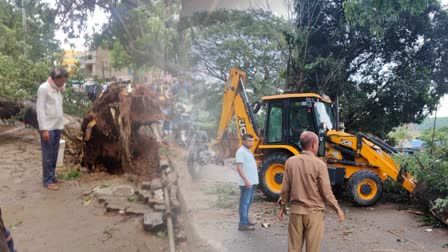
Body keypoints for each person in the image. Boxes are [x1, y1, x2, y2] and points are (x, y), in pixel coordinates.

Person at [278, 131, 345, 252]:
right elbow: (326, 192)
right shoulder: (320, 164)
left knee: (293, 249)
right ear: (314, 144)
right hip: (314, 213)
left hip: (296, 213)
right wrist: (337, 209)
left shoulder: (290, 162)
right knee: (312, 249)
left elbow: (285, 188)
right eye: (318, 144)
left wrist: (282, 206)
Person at [36, 67, 68, 191]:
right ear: (55, 79)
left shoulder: (58, 89)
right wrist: (43, 129)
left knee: (54, 154)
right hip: (48, 127)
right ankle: (47, 180)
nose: (63, 83)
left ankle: (52, 176)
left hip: (57, 126)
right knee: (47, 154)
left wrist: (61, 125)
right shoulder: (44, 88)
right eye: (62, 81)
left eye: (64, 81)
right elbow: (40, 109)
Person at [235, 133, 259, 231]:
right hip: (247, 183)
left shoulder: (248, 151)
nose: (251, 142)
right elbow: (239, 168)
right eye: (249, 141)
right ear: (243, 141)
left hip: (251, 182)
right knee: (244, 203)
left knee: (248, 202)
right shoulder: (241, 152)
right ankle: (242, 224)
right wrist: (246, 180)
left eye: (252, 140)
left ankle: (245, 220)